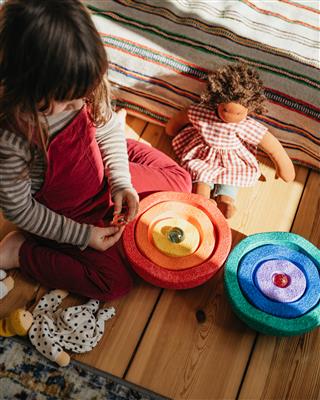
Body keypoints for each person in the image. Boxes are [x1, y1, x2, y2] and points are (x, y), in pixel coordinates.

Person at [0, 0, 191, 301]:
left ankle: (121, 166)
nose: (79, 105)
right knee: (113, 283)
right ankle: (20, 252)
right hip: (68, 215)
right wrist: (83, 235)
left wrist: (121, 180)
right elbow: (20, 210)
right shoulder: (13, 139)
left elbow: (106, 126)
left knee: (180, 181)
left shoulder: (82, 78)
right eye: (66, 101)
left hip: (100, 172)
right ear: (27, 86)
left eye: (82, 96)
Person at [166, 63, 295, 218]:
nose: (231, 117)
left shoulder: (246, 126)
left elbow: (272, 147)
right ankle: (202, 201)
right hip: (203, 154)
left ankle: (225, 201)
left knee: (232, 177)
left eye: (239, 113)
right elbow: (183, 117)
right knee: (199, 174)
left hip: (233, 159)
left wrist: (283, 167)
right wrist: (172, 128)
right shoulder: (202, 114)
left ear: (250, 108)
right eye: (225, 110)